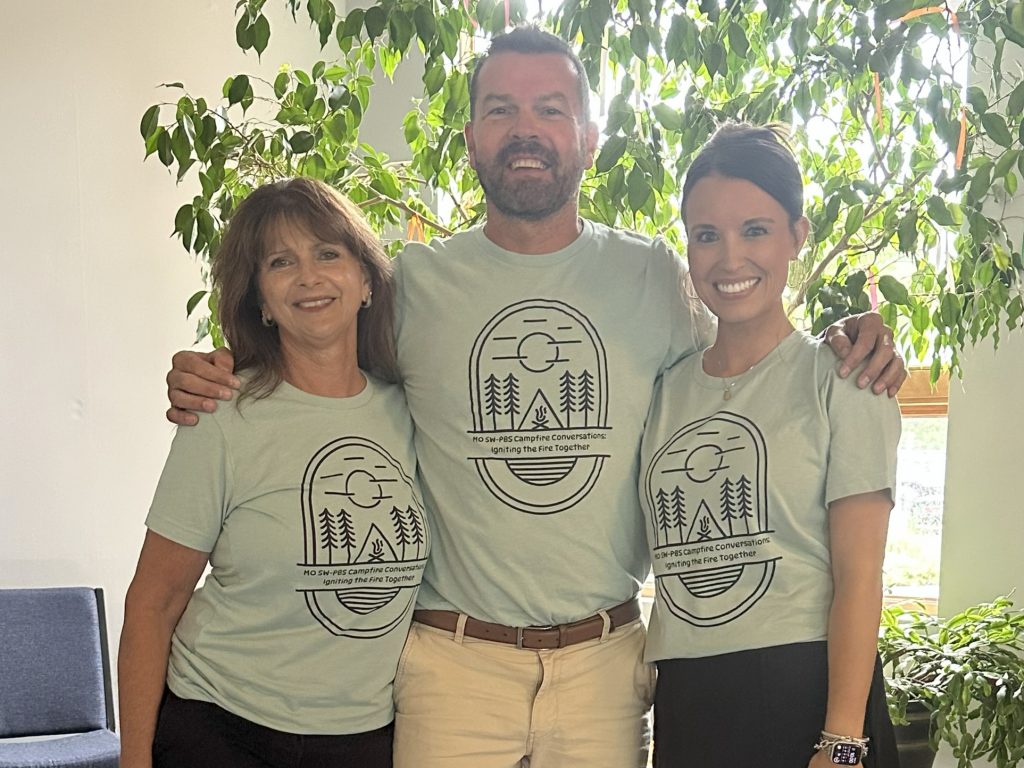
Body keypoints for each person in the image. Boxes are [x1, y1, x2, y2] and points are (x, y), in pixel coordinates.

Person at [162, 27, 906, 768]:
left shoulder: (652, 275)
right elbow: (316, 354)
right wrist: (221, 367)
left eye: (550, 109)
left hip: (604, 669)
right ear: (470, 138)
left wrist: (849, 335)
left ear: (587, 137)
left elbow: (748, 347)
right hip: (454, 667)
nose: (525, 130)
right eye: (501, 110)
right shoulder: (411, 285)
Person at [119, 178, 428, 768]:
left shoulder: (414, 410)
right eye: (281, 262)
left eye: (328, 254)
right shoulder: (220, 416)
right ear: (260, 298)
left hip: (365, 736)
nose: (309, 277)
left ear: (366, 281)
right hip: (221, 727)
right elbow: (154, 602)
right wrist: (134, 760)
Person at [640, 123, 900, 767]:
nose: (730, 259)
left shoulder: (846, 377)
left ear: (796, 236)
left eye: (754, 229)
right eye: (707, 236)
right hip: (689, 698)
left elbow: (860, 576)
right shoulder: (663, 390)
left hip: (808, 695)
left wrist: (841, 742)